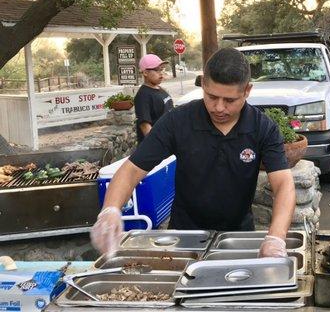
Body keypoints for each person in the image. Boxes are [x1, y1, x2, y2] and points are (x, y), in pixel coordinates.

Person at [91, 48, 296, 257]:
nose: (219, 108)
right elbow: (132, 170)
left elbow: (283, 184)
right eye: (212, 96)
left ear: (247, 91)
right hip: (184, 235)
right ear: (203, 84)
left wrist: (276, 237)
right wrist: (110, 209)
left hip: (238, 235)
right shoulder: (178, 121)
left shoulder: (263, 128)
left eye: (229, 100)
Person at [134, 54, 174, 142]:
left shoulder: (160, 89)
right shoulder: (143, 96)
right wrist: (161, 146)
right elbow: (145, 127)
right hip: (158, 148)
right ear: (145, 73)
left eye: (162, 69)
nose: (161, 73)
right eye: (157, 70)